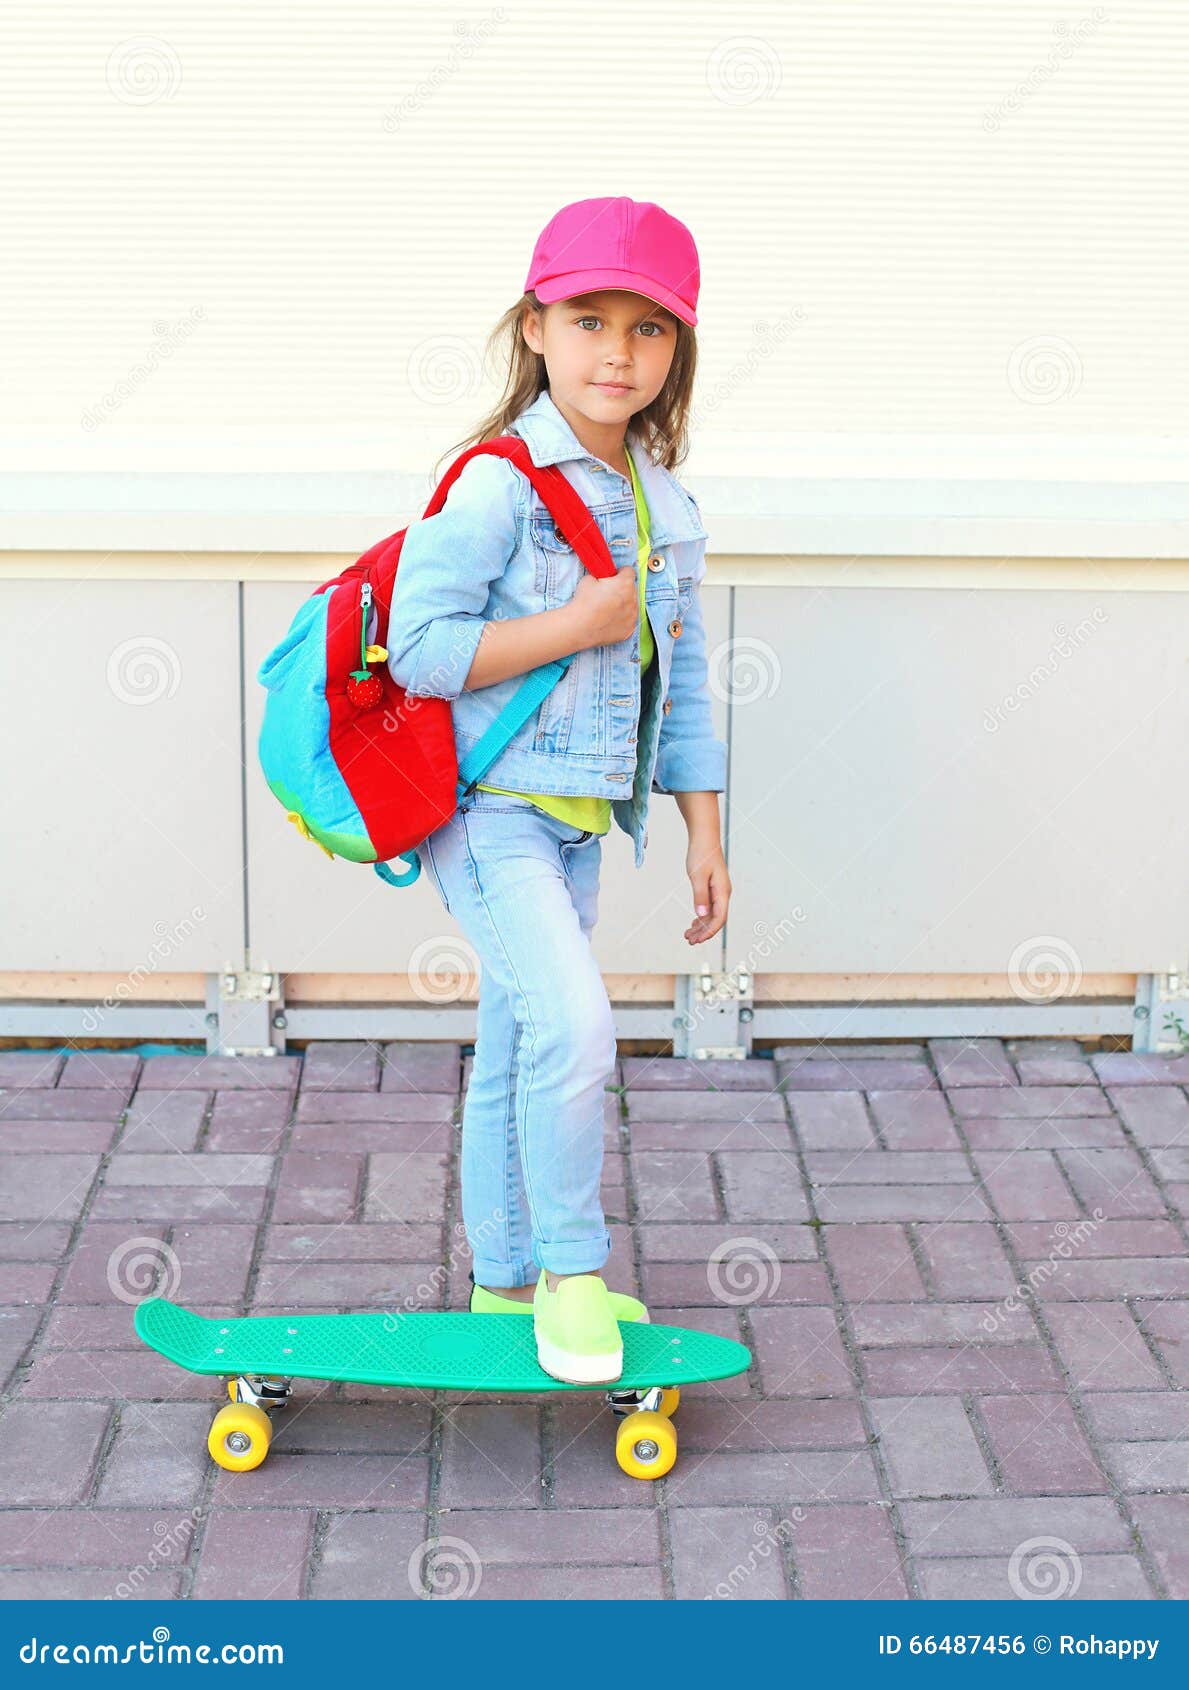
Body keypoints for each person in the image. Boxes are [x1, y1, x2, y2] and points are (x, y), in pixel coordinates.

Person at [386, 196, 731, 1384]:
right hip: (489, 813)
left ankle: (500, 1283)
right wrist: (571, 623)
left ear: (673, 349)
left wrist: (703, 831)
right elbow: (421, 651)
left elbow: (678, 687)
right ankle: (572, 1273)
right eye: (589, 321)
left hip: (584, 822)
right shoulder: (496, 484)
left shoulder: (663, 502)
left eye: (648, 329)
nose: (617, 353)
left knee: (521, 1033)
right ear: (534, 329)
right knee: (577, 1031)